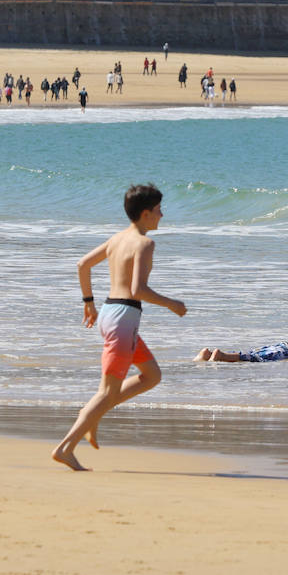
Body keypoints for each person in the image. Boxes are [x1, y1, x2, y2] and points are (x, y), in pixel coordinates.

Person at [52, 184, 187, 471]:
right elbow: (138, 289)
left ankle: (94, 412)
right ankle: (65, 447)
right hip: (124, 318)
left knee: (151, 375)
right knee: (106, 392)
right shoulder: (144, 243)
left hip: (111, 313)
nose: (162, 215)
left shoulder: (117, 239)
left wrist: (88, 302)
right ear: (146, 213)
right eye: (159, 210)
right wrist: (172, 304)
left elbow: (82, 265)